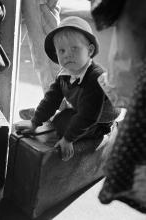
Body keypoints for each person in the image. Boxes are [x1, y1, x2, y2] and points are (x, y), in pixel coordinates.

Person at [15, 16, 120, 161]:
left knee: (64, 126)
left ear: (89, 50)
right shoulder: (64, 74)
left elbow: (89, 115)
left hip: (100, 119)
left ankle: (108, 129)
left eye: (74, 49)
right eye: (61, 51)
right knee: (59, 120)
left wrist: (68, 140)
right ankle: (42, 116)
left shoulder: (95, 77)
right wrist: (35, 123)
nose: (67, 55)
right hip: (81, 107)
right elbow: (51, 99)